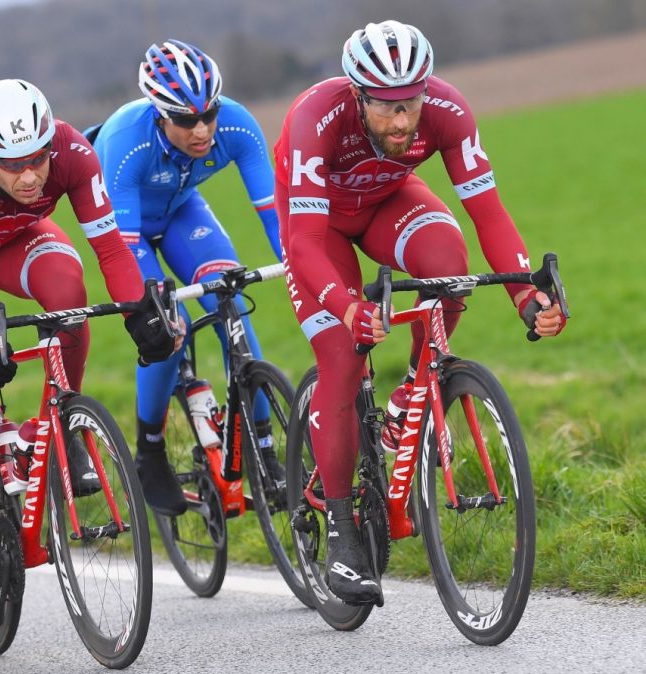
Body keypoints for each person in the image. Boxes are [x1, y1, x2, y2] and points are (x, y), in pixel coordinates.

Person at [275, 20, 567, 605]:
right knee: (341, 357)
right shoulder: (316, 117)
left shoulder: (448, 111)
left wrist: (524, 294)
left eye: (410, 104)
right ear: (358, 95)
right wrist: (348, 307)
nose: (402, 122)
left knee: (448, 263)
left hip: (387, 206)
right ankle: (339, 531)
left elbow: (487, 211)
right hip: (319, 229)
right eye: (386, 109)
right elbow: (303, 242)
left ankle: (413, 391)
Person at [0, 78, 177, 624]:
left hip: (16, 240)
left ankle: (64, 424)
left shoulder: (75, 152)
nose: (29, 176)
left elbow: (110, 249)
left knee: (67, 290)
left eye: (37, 160)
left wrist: (137, 311)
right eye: (12, 165)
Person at [89, 39, 284, 517]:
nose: (202, 130)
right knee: (165, 326)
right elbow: (123, 246)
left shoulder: (236, 124)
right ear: (159, 115)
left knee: (230, 305)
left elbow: (277, 215)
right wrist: (151, 310)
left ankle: (266, 452)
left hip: (181, 213)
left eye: (208, 114)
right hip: (128, 231)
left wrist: (302, 269)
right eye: (185, 120)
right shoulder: (124, 142)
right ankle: (149, 447)